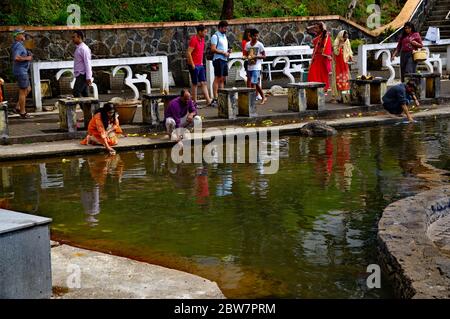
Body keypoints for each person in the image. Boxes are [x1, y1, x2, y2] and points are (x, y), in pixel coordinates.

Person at [186, 24, 212, 107]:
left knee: (203, 82)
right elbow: (188, 52)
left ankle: (208, 101)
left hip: (200, 64)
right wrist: (192, 64)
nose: (205, 33)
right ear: (199, 31)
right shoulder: (194, 39)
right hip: (194, 65)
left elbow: (200, 52)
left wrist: (201, 62)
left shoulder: (202, 39)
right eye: (204, 32)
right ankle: (194, 102)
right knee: (195, 84)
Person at [11, 29, 33, 119]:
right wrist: (27, 58)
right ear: (17, 36)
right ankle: (23, 112)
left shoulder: (19, 45)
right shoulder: (18, 45)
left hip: (21, 71)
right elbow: (16, 57)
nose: (23, 34)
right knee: (23, 92)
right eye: (21, 33)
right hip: (21, 71)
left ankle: (17, 107)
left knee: (28, 89)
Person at [243, 29, 268, 104]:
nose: (256, 37)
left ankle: (253, 99)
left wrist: (256, 57)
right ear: (251, 36)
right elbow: (246, 54)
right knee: (254, 82)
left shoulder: (260, 45)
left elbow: (264, 56)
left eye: (257, 36)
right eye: (255, 36)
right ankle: (262, 96)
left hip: (257, 66)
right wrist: (244, 57)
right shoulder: (247, 44)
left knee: (254, 82)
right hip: (249, 66)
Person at [210, 20, 230, 107]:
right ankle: (215, 98)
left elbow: (224, 47)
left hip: (224, 59)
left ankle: (222, 97)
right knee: (217, 78)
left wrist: (228, 51)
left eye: (226, 28)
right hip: (218, 59)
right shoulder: (215, 36)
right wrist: (223, 52)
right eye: (224, 28)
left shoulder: (224, 36)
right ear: (220, 27)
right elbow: (213, 49)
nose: (226, 29)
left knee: (222, 78)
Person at [307, 22, 332, 91]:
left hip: (322, 57)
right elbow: (307, 29)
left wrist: (323, 26)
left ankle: (323, 88)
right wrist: (313, 26)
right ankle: (314, 88)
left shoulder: (324, 36)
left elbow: (326, 45)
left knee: (322, 74)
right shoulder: (316, 35)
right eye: (314, 28)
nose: (315, 29)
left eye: (316, 28)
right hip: (316, 57)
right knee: (312, 73)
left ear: (321, 29)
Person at [331, 30, 353, 103]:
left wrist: (350, 56)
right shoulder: (336, 41)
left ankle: (345, 97)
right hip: (338, 65)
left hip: (344, 64)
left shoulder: (347, 41)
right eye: (345, 36)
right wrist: (340, 47)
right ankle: (338, 97)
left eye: (346, 36)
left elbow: (349, 50)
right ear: (341, 36)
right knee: (338, 80)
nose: (346, 38)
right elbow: (335, 52)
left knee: (345, 79)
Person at [72, 30, 93, 97]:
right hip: (80, 74)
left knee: (76, 92)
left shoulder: (84, 49)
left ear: (79, 37)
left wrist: (88, 77)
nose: (72, 39)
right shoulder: (79, 48)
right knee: (85, 94)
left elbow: (88, 63)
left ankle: (86, 107)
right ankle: (89, 107)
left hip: (82, 75)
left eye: (74, 37)